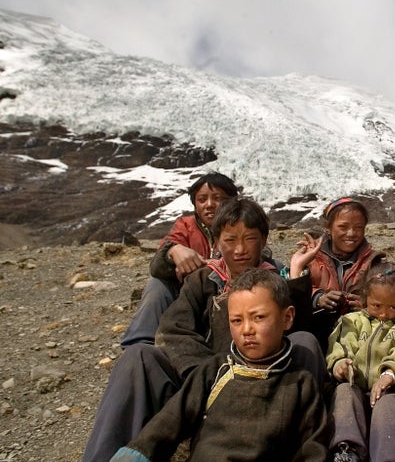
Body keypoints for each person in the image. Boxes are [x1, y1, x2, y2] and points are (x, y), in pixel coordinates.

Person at [82, 197, 325, 462]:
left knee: (304, 341)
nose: (240, 249)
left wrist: (298, 276)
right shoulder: (203, 279)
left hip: (266, 386)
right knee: (138, 356)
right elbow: (173, 330)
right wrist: (209, 375)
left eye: (250, 239)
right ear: (217, 243)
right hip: (200, 380)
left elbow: (295, 328)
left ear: (264, 240)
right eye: (230, 240)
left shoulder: (275, 278)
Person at [109, 269, 328, 461]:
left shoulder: (300, 384)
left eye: (259, 317)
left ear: (287, 318)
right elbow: (171, 420)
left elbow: (311, 449)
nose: (247, 330)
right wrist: (136, 454)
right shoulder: (215, 370)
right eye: (237, 320)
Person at [326, 261, 395, 462]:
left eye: (393, 307)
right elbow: (340, 344)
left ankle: (393, 457)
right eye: (376, 305)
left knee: (388, 406)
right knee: (343, 392)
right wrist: (340, 362)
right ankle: (347, 451)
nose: (384, 314)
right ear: (365, 298)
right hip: (357, 388)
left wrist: (389, 374)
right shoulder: (351, 321)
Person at [120, 172, 238, 347]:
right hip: (189, 298)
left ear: (232, 200)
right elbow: (157, 266)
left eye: (217, 198)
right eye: (202, 199)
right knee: (157, 284)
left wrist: (212, 266)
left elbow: (261, 253)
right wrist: (173, 251)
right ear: (195, 205)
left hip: (231, 295)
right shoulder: (185, 226)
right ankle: (139, 346)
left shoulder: (243, 223)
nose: (209, 205)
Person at [289, 197, 385, 351]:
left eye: (359, 227)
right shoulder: (312, 258)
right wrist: (318, 298)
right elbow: (293, 295)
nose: (351, 233)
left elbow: (389, 295)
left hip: (361, 336)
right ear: (328, 227)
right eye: (343, 227)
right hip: (317, 333)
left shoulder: (375, 261)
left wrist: (368, 305)